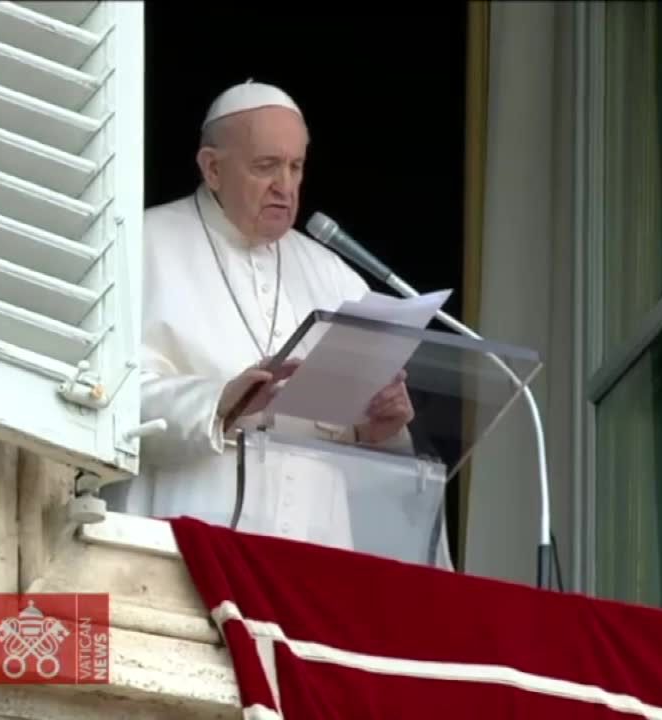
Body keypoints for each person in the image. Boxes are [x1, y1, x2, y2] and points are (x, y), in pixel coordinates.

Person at [114, 81, 443, 561]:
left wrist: (381, 429)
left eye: (295, 167)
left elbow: (363, 456)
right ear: (212, 168)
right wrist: (218, 404)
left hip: (315, 547)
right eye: (265, 166)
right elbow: (106, 398)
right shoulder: (143, 245)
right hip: (187, 534)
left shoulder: (335, 276)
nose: (285, 187)